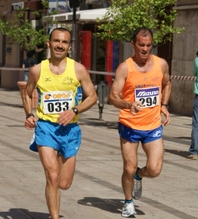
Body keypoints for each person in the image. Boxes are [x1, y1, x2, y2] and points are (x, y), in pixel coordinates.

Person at [23, 27, 97, 219]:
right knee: (52, 176)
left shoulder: (78, 69)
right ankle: (54, 216)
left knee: (64, 183)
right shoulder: (37, 70)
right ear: (49, 43)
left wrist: (74, 110)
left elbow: (92, 97)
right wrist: (29, 114)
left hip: (69, 130)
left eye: (64, 42)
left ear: (69, 46)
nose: (60, 45)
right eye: (56, 41)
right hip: (46, 128)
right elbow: (27, 92)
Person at [109, 27, 171, 218]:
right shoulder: (125, 68)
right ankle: (128, 202)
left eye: (148, 45)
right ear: (133, 45)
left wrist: (163, 104)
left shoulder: (161, 64)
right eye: (141, 45)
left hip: (152, 126)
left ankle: (139, 175)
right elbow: (112, 96)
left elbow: (167, 84)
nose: (145, 49)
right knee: (128, 166)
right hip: (129, 125)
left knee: (154, 169)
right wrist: (128, 104)